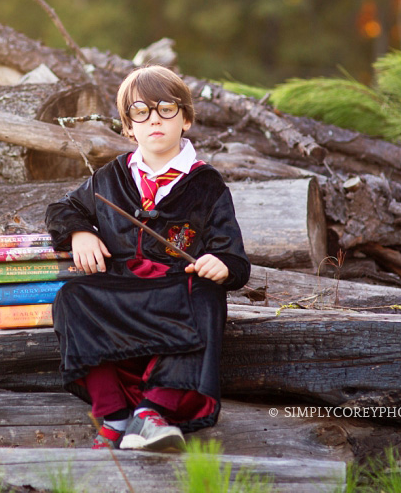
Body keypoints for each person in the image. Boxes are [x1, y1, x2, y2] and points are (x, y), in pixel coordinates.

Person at [45, 65, 251, 452]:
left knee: (207, 295)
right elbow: (61, 208)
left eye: (166, 109)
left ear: (185, 118)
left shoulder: (206, 184)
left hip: (176, 295)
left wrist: (220, 265)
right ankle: (115, 414)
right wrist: (80, 232)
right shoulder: (111, 177)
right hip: (124, 295)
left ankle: (154, 412)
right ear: (128, 127)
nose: (154, 119)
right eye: (140, 112)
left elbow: (235, 259)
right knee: (73, 297)